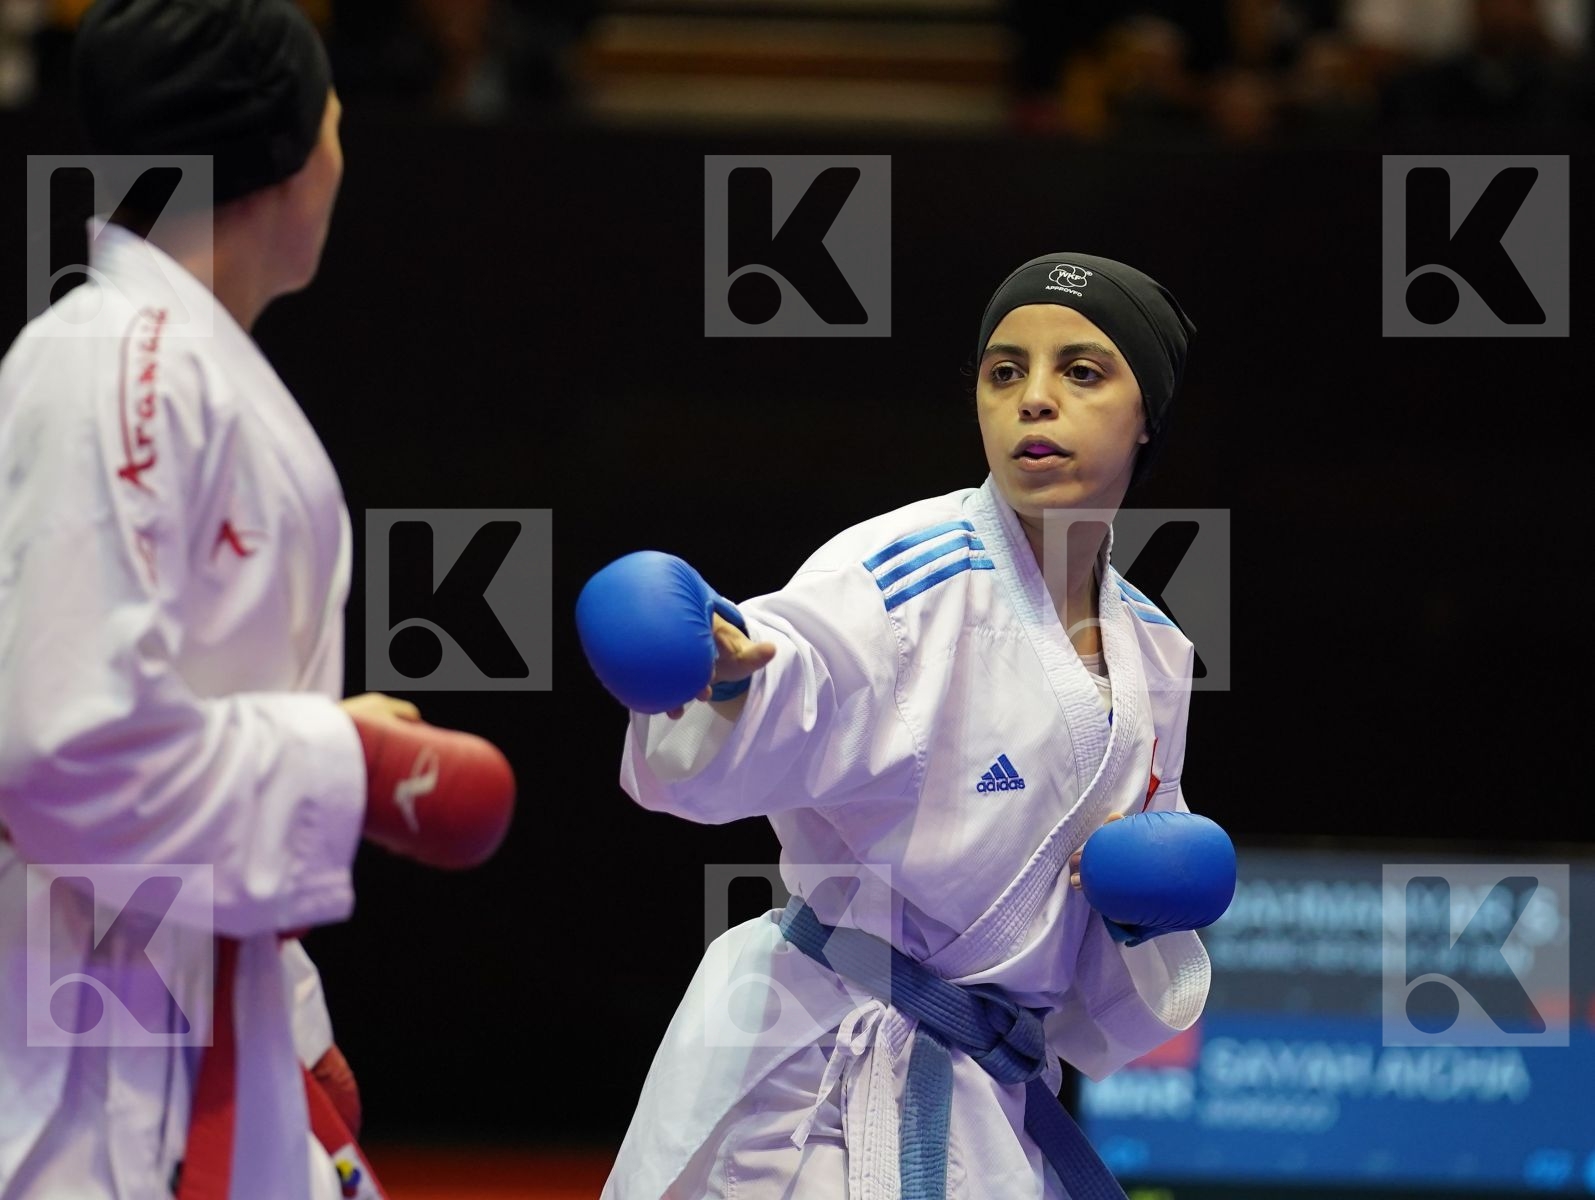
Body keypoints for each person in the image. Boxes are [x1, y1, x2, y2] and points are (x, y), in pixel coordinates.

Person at [580, 252, 1230, 1198]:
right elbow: (793, 664)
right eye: (1004, 372)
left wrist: (1143, 920)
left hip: (993, 1091)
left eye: (1080, 372)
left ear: (1148, 418)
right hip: (822, 1081)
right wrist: (724, 682)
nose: (1033, 400)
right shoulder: (901, 570)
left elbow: (1100, 1004)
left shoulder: (1157, 652)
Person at [0, 2, 515, 1197]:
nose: (343, 148)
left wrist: (286, 1020)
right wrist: (352, 767)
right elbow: (64, 748)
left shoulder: (174, 360)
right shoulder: (114, 360)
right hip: (80, 1045)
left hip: (184, 1005)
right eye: (334, 117)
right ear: (286, 152)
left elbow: (179, 729)